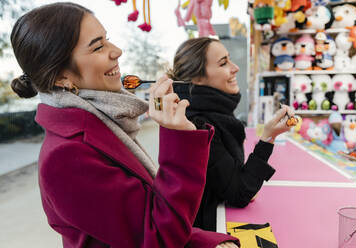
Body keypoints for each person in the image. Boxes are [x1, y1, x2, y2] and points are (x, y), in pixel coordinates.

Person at [10, 3, 240, 248]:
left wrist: (212, 242)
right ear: (61, 77)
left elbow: (144, 218)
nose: (117, 51)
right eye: (98, 46)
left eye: (107, 39)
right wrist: (179, 140)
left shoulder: (104, 123)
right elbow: (156, 237)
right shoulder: (65, 158)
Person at [170, 37, 293, 231]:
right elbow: (240, 193)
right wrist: (268, 137)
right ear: (197, 79)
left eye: (229, 59)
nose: (235, 67)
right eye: (223, 63)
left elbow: (230, 180)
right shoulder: (199, 126)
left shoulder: (211, 113)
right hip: (201, 233)